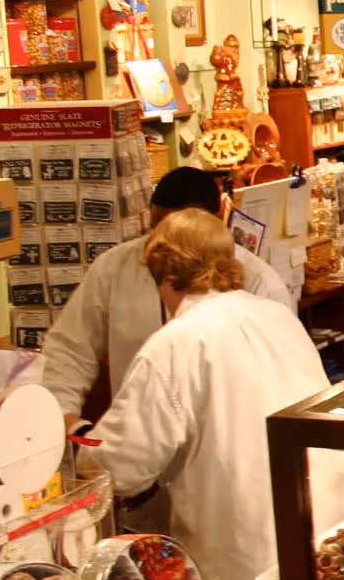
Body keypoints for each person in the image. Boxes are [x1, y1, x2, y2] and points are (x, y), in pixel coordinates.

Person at [85, 210, 344, 580]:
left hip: (251, 578)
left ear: (165, 276)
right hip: (338, 548)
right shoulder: (276, 317)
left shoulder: (176, 343)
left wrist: (80, 457)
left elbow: (122, 465)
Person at [43, 166, 293, 429]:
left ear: (215, 220)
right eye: (155, 228)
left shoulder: (260, 283)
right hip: (139, 440)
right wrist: (63, 417)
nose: (160, 245)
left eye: (177, 235)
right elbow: (69, 350)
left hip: (225, 443)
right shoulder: (114, 267)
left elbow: (276, 384)